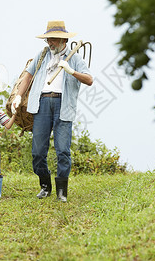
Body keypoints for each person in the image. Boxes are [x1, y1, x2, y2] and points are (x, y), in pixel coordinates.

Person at [11, 20, 93, 202]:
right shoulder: (42, 56)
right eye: (48, 39)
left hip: (63, 104)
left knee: (63, 150)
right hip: (42, 104)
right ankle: (45, 186)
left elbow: (89, 79)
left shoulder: (74, 58)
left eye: (54, 39)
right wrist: (18, 95)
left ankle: (62, 191)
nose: (50, 43)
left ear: (63, 40)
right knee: (38, 151)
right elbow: (28, 76)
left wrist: (71, 71)